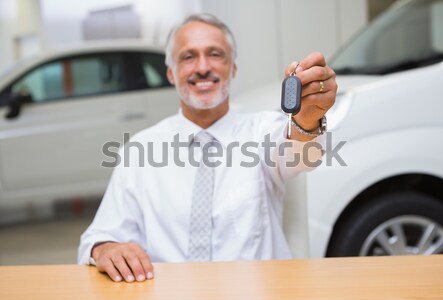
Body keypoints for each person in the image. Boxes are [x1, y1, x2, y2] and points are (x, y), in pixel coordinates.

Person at [78, 13, 337, 283]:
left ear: (233, 68)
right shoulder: (139, 150)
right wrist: (107, 248)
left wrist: (307, 119)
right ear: (171, 73)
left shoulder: (262, 131)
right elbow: (98, 237)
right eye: (188, 57)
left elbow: (301, 152)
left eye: (215, 54)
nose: (202, 67)